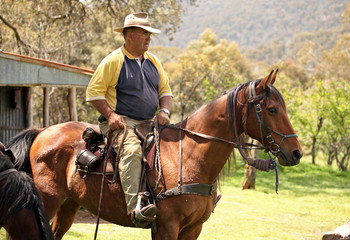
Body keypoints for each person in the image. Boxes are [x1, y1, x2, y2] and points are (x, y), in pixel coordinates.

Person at [86, 12, 173, 225]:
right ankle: (137, 208)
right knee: (132, 151)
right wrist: (111, 115)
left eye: (149, 34)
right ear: (129, 35)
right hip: (122, 123)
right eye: (144, 33)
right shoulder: (113, 61)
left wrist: (164, 112)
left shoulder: (153, 61)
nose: (148, 38)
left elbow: (166, 92)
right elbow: (93, 93)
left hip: (150, 122)